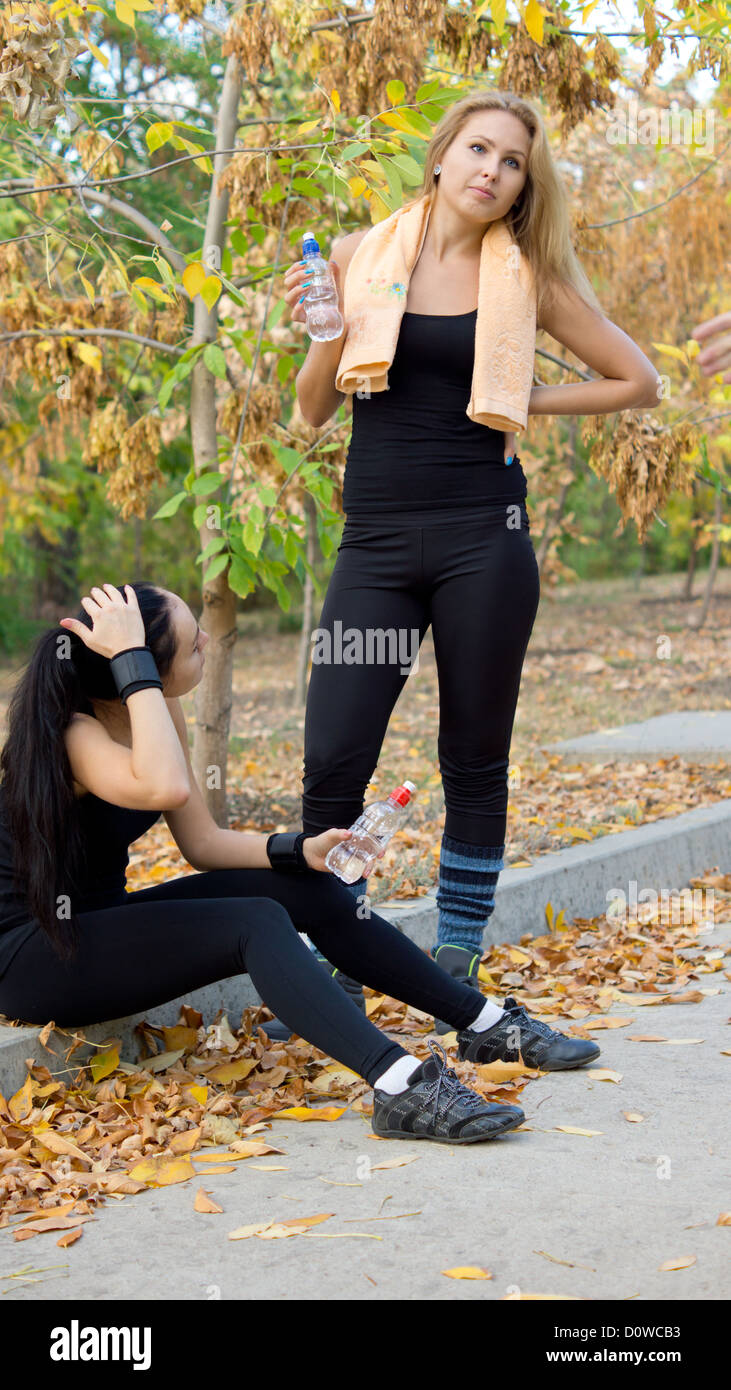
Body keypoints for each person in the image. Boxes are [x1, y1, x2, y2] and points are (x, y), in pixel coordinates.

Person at [281, 88, 660, 1033]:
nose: (491, 169)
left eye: (513, 160)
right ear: (443, 156)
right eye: (478, 148)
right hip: (372, 544)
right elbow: (310, 412)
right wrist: (327, 333)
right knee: (333, 759)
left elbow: (636, 379)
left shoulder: (527, 278)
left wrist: (523, 400)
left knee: (473, 753)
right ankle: (337, 948)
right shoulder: (355, 258)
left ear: (522, 184)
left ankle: (456, 944)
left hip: (480, 541)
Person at [0, 581, 600, 1147]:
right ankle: (398, 1086)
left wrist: (299, 850)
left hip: (98, 925)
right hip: (33, 954)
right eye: (191, 642)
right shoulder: (74, 734)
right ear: (141, 671)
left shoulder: (156, 710)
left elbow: (203, 843)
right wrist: (136, 664)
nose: (207, 640)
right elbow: (164, 788)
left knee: (305, 888)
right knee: (254, 922)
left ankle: (485, 1023)